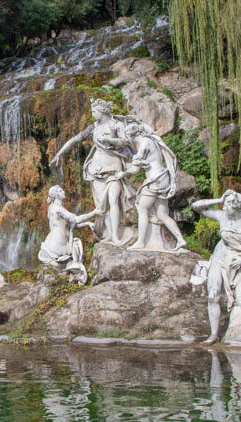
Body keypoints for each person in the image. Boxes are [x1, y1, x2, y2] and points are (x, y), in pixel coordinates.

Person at [49, 98, 138, 246]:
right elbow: (75, 139)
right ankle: (109, 234)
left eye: (94, 111)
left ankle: (116, 236)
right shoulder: (93, 127)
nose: (92, 114)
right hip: (96, 170)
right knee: (103, 206)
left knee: (114, 200)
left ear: (102, 111)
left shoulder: (116, 124)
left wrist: (110, 140)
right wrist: (59, 154)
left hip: (114, 168)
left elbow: (127, 140)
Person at [191, 190, 241, 343]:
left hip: (239, 259)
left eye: (228, 204)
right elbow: (196, 206)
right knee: (212, 296)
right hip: (219, 257)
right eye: (225, 203)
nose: (225, 207)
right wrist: (219, 199)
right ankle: (214, 334)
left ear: (237, 206)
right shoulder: (222, 215)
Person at [122, 122, 187, 252]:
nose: (128, 140)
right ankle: (180, 239)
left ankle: (141, 242)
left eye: (127, 136)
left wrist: (122, 173)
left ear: (131, 135)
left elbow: (135, 170)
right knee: (161, 214)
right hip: (163, 178)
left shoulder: (144, 143)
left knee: (142, 207)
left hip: (155, 179)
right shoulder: (151, 141)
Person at [38, 186, 101, 284]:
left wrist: (87, 224)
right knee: (77, 246)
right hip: (57, 246)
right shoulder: (57, 208)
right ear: (56, 195)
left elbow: (70, 225)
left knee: (77, 248)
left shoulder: (53, 208)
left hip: (54, 243)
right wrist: (94, 213)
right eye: (60, 190)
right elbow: (75, 219)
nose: (63, 191)